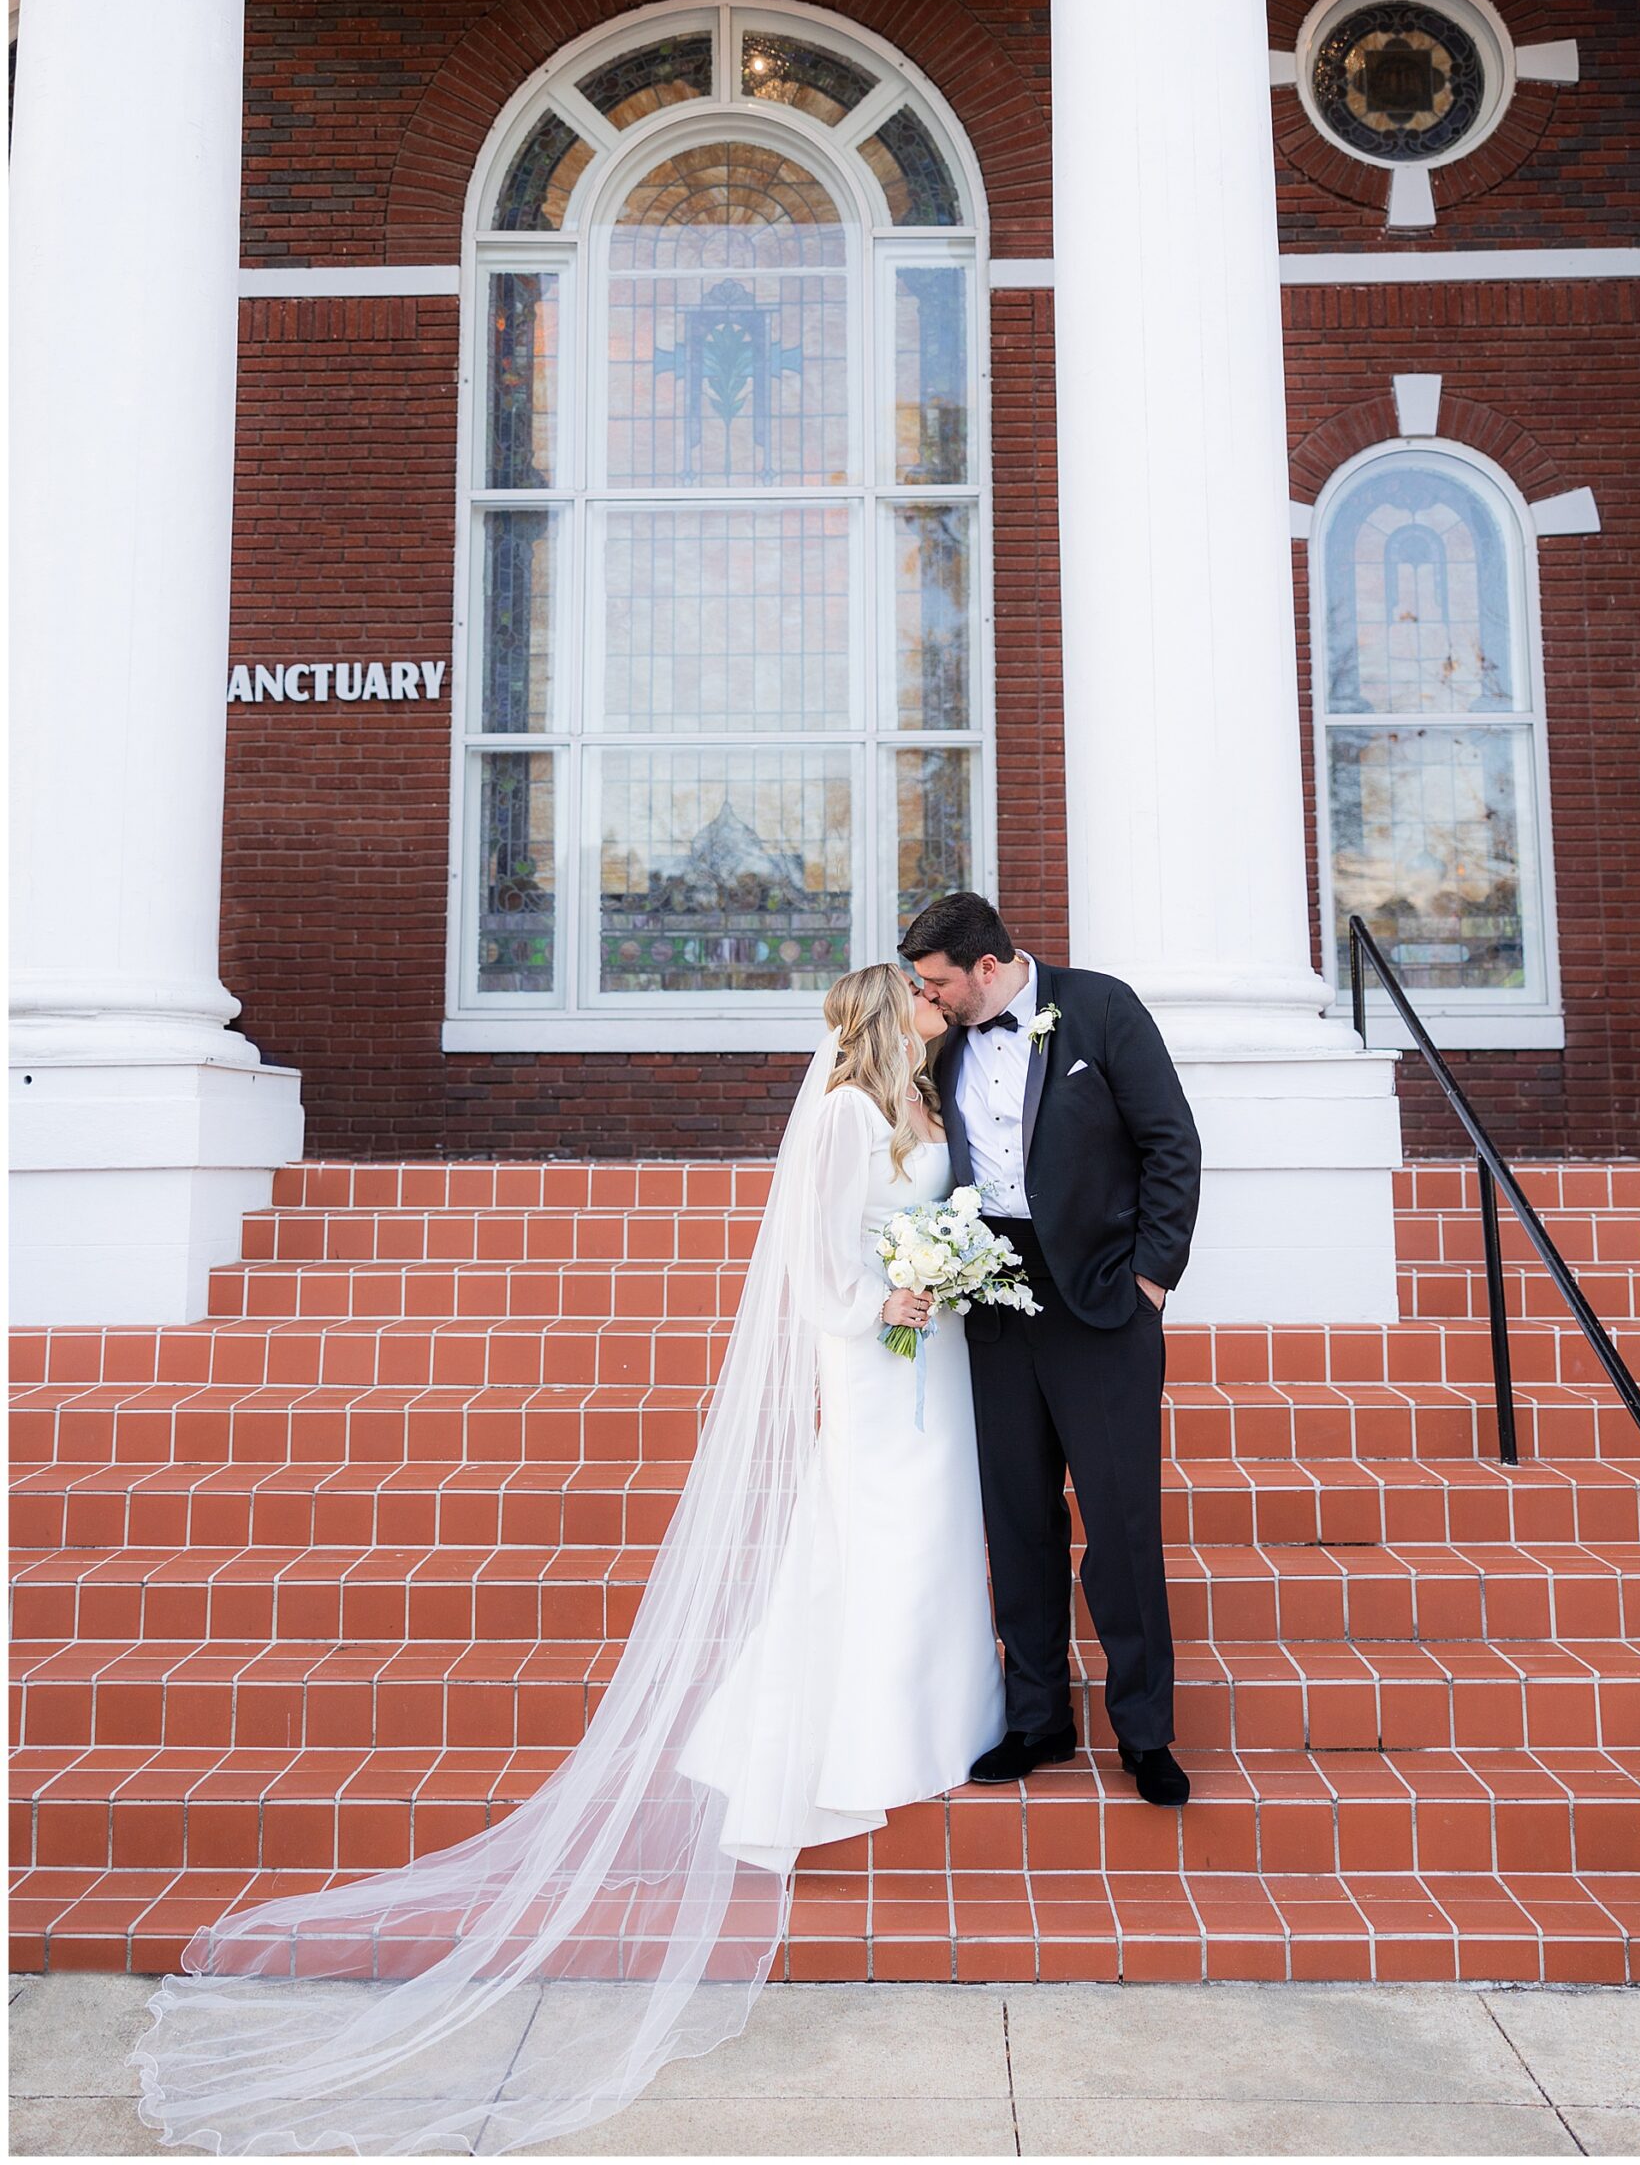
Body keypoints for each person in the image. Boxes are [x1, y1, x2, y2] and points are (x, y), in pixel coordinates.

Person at [132, 965, 1003, 2157]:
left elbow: (933, 1213)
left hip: (934, 1346)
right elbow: (817, 1266)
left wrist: (941, 1275)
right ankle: (860, 1736)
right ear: (878, 1011)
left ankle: (941, 1710)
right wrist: (889, 1303)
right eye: (915, 989)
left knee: (934, 1531)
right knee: (877, 1533)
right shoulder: (849, 1112)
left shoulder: (928, 1103)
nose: (932, 998)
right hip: (878, 1352)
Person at [898, 892, 1203, 1807]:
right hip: (988, 1299)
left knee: (1120, 1526)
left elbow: (1171, 1144)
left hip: (1104, 1302)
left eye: (940, 982)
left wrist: (1152, 1278)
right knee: (1017, 1522)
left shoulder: (1101, 1006)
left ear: (987, 968)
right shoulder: (940, 1035)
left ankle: (1144, 1733)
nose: (930, 997)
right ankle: (1038, 1720)